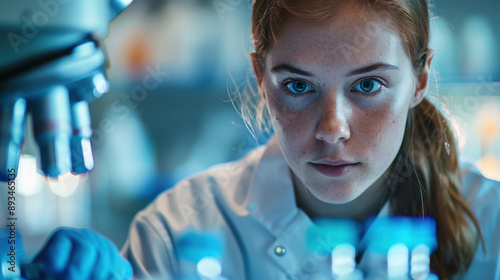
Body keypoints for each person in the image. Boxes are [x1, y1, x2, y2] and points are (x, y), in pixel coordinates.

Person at [30, 0, 500, 279]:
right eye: (298, 86)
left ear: (420, 79)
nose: (332, 127)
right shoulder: (175, 232)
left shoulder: (492, 225)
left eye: (368, 85)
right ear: (260, 78)